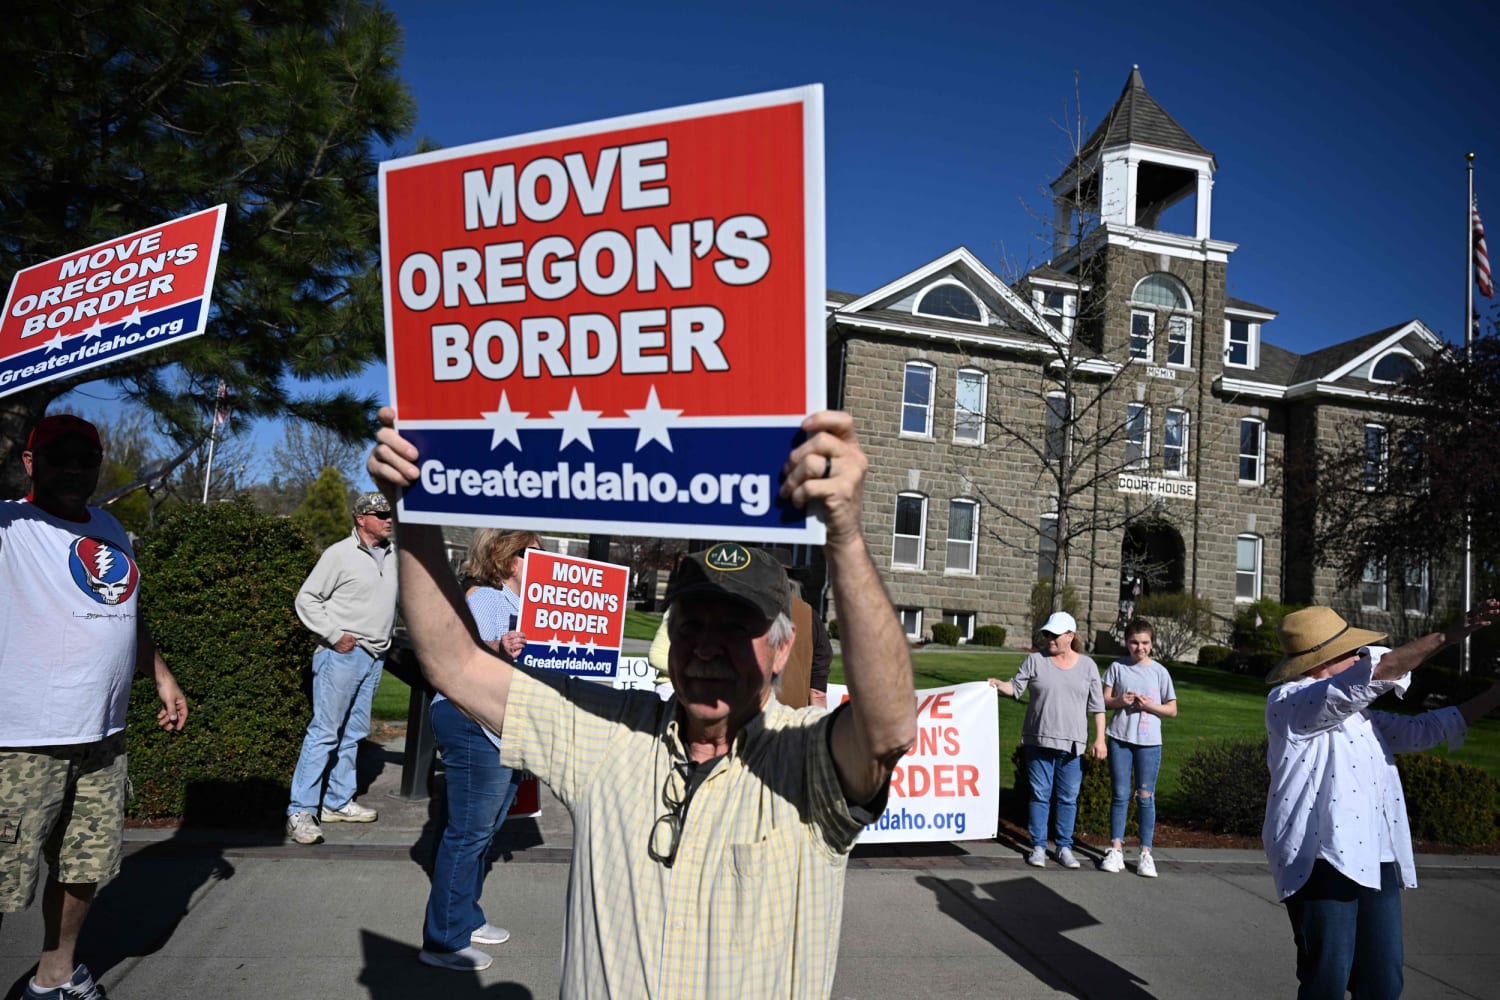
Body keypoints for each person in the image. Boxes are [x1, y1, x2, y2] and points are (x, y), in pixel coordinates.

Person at [368, 407, 915, 999]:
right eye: (691, 623)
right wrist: (411, 511)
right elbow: (454, 663)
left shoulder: (805, 757)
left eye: (736, 627)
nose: (707, 645)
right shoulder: (610, 737)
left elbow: (886, 731)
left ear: (782, 652)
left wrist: (846, 536)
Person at [0, 414, 188, 1000]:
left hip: (102, 734)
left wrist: (160, 676)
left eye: (86, 458)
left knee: (84, 865)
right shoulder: (9, 525)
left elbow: (126, 614)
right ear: (31, 462)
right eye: (59, 457)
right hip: (20, 738)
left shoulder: (110, 526)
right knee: (3, 878)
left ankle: (53, 979)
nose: (74, 469)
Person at [1263, 602, 1500, 999]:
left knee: (1383, 982)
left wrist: (1495, 696)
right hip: (1321, 860)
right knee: (1327, 982)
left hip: (1377, 857)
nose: (1359, 655)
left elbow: (1426, 729)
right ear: (1322, 660)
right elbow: (1376, 672)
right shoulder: (1289, 703)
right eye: (1351, 651)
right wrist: (1448, 635)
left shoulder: (1362, 718)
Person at [419, 528, 533, 972]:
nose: (538, 561)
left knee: (483, 831)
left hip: (501, 726)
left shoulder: (525, 605)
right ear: (504, 558)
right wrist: (498, 646)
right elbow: (459, 656)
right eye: (529, 553)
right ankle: (443, 940)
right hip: (471, 722)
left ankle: (466, 918)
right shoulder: (485, 598)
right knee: (467, 833)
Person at [285, 491, 398, 845]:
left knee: (353, 734)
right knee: (325, 732)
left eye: (389, 514)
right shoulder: (339, 553)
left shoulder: (394, 556)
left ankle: (337, 802)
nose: (388, 519)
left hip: (375, 655)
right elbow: (306, 598)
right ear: (361, 518)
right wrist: (334, 635)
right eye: (380, 514)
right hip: (342, 655)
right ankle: (300, 810)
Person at [988, 610, 1105, 869]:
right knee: (1040, 795)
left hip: (1072, 745)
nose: (1049, 638)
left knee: (1067, 798)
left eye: (1055, 634)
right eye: (1047, 634)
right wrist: (997, 685)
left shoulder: (1088, 666)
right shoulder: (1035, 661)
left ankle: (1064, 847)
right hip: (1038, 741)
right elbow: (1015, 688)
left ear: (1070, 636)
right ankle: (1038, 847)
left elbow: (1098, 706)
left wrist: (1100, 740)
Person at [1099, 617, 1177, 878]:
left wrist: (1148, 706)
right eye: (1134, 642)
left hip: (1149, 743)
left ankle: (1145, 853)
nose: (1139, 648)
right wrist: (1120, 701)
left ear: (1152, 644)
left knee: (1145, 796)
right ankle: (1116, 849)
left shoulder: (1159, 672)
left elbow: (1171, 709)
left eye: (1144, 643)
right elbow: (1103, 701)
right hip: (1120, 738)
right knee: (1120, 794)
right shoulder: (1117, 668)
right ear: (1126, 642)